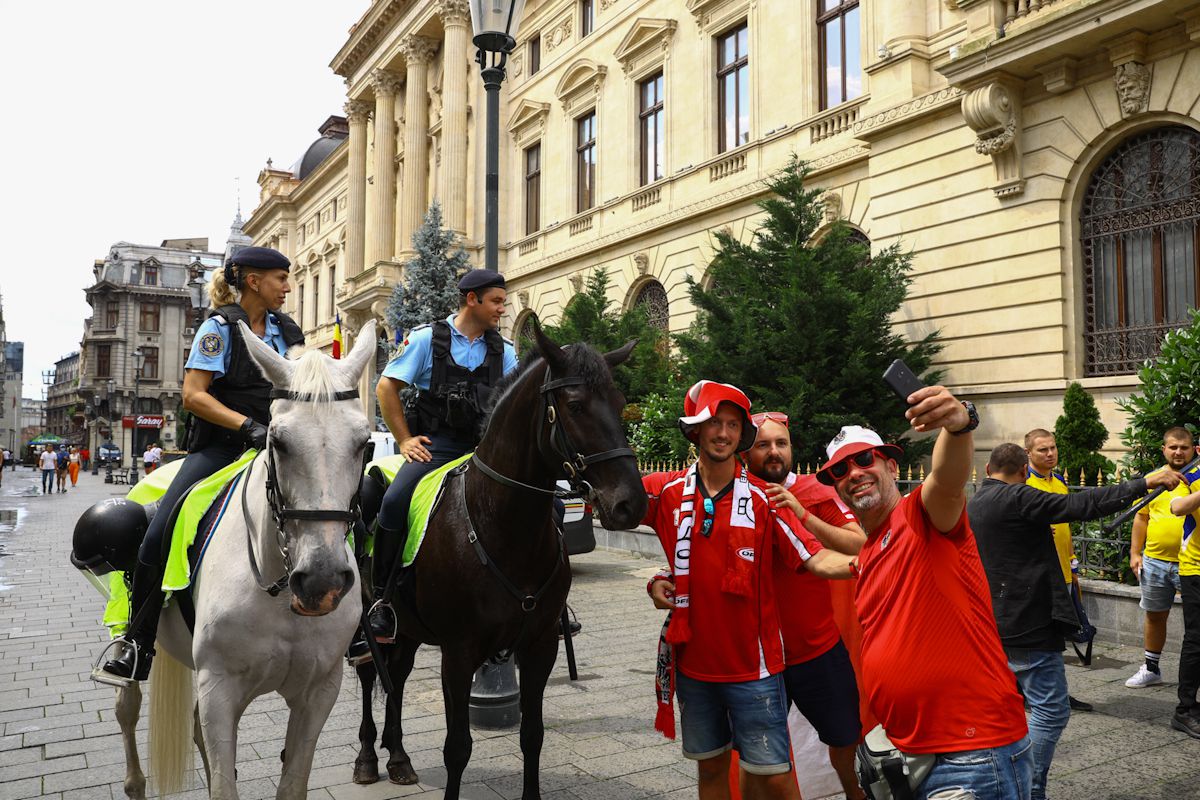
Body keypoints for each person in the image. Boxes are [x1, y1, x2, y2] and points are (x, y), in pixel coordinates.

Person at [95, 246, 303, 683]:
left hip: (279, 448)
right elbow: (193, 395)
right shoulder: (219, 328)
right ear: (252, 280)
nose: (287, 287)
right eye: (281, 278)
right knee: (160, 530)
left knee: (339, 510)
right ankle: (137, 640)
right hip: (223, 449)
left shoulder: (288, 331)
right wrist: (247, 426)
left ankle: (359, 623)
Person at [818, 391, 1034, 799]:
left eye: (864, 459)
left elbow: (948, 480)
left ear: (891, 465)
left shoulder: (920, 514)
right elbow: (819, 562)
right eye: (840, 470)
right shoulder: (868, 551)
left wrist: (959, 423)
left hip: (972, 754)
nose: (854, 473)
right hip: (913, 755)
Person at [644, 381, 853, 800]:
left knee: (773, 777)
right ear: (696, 431)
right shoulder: (664, 492)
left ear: (741, 436)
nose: (723, 432)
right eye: (714, 423)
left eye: (733, 425)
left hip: (755, 669)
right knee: (710, 774)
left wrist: (878, 563)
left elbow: (815, 559)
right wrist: (656, 580)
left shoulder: (764, 500)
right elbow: (607, 497)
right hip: (694, 666)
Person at [968, 442, 1179, 800]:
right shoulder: (1020, 498)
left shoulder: (975, 501)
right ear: (1022, 473)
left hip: (992, 621)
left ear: (988, 470)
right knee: (1050, 710)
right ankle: (1028, 788)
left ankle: (1006, 783)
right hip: (1027, 623)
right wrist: (1144, 482)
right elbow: (1084, 504)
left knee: (1011, 710)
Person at [368, 268, 518, 640]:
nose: (503, 308)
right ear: (473, 299)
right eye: (497, 301)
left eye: (503, 301)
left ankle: (549, 602)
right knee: (394, 503)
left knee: (548, 507)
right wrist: (404, 441)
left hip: (487, 454)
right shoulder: (425, 341)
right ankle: (382, 600)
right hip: (438, 448)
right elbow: (386, 389)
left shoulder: (507, 352)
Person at [1024, 428, 1093, 713]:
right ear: (1028, 453)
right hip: (1041, 576)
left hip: (1064, 571)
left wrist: (1073, 560)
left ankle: (1059, 692)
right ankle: (1033, 694)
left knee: (1059, 639)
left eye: (1053, 448)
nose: (1050, 454)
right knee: (1042, 640)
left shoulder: (1060, 480)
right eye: (1043, 450)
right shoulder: (1025, 484)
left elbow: (1065, 526)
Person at [1127, 427, 1195, 688]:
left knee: (1195, 622)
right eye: (1173, 447)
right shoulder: (1153, 479)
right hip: (1155, 561)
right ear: (1164, 449)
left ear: (1193, 450)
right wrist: (1135, 553)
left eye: (1184, 447)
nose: (1178, 452)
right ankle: (1151, 668)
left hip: (1191, 564)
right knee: (1155, 615)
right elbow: (1141, 517)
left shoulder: (1197, 478)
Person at [1167, 463, 1200, 738]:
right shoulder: (1189, 477)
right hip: (1196, 570)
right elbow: (1177, 507)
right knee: (1196, 639)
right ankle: (1185, 710)